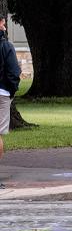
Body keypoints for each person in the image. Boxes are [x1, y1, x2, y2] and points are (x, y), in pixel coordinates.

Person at [0, 19, 21, 185]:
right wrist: (11, 90)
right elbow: (13, 71)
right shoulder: (6, 46)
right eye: (3, 23)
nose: (5, 26)